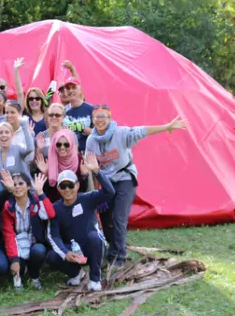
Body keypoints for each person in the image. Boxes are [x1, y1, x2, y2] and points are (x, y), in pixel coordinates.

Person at [85, 105, 189, 266]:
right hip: (107, 182)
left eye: (103, 116)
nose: (99, 120)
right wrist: (99, 192)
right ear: (92, 120)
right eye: (96, 117)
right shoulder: (91, 141)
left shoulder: (121, 133)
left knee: (119, 217)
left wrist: (167, 126)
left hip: (125, 178)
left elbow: (143, 131)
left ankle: (118, 257)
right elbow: (92, 167)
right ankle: (113, 248)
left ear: (110, 118)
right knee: (105, 217)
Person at [46, 154, 114, 291]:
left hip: (93, 246)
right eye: (63, 186)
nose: (67, 190)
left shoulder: (88, 198)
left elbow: (110, 192)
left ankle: (95, 279)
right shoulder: (55, 208)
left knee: (94, 237)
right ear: (58, 189)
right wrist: (65, 253)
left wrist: (97, 172)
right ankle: (76, 274)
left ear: (77, 185)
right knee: (52, 256)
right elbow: (53, 235)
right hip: (74, 250)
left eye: (70, 185)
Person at [1, 172, 53, 290]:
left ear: (28, 186)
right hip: (16, 246)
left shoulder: (36, 201)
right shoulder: (7, 206)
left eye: (21, 183)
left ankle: (34, 276)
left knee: (39, 251)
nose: (17, 186)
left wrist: (41, 192)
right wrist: (14, 260)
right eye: (14, 184)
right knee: (18, 264)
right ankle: (20, 274)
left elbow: (51, 214)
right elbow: (8, 234)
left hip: (34, 243)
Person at [35, 129, 88, 202]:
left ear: (72, 144)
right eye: (58, 144)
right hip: (55, 206)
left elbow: (83, 190)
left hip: (76, 203)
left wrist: (84, 175)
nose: (62, 147)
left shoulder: (79, 160)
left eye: (66, 144)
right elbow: (44, 192)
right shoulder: (48, 161)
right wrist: (45, 173)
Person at [0, 121, 34, 194]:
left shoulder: (17, 149)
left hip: (26, 191)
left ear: (12, 135)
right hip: (6, 194)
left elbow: (30, 149)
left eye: (7, 132)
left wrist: (24, 126)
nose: (3, 135)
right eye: (0, 133)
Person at [11, 57, 47, 135]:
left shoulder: (48, 116)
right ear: (27, 101)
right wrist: (16, 70)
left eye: (37, 98)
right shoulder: (24, 115)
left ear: (42, 100)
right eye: (31, 98)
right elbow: (20, 93)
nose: (34, 101)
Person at [61, 74, 94, 152]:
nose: (71, 90)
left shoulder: (91, 109)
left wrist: (82, 128)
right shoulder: (62, 112)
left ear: (80, 90)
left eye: (74, 87)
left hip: (89, 153)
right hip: (70, 154)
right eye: (68, 88)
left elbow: (99, 134)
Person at [5, 100, 35, 164]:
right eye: (7, 112)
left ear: (20, 114)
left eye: (12, 112)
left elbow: (30, 157)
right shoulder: (3, 132)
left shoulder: (27, 131)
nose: (9, 115)